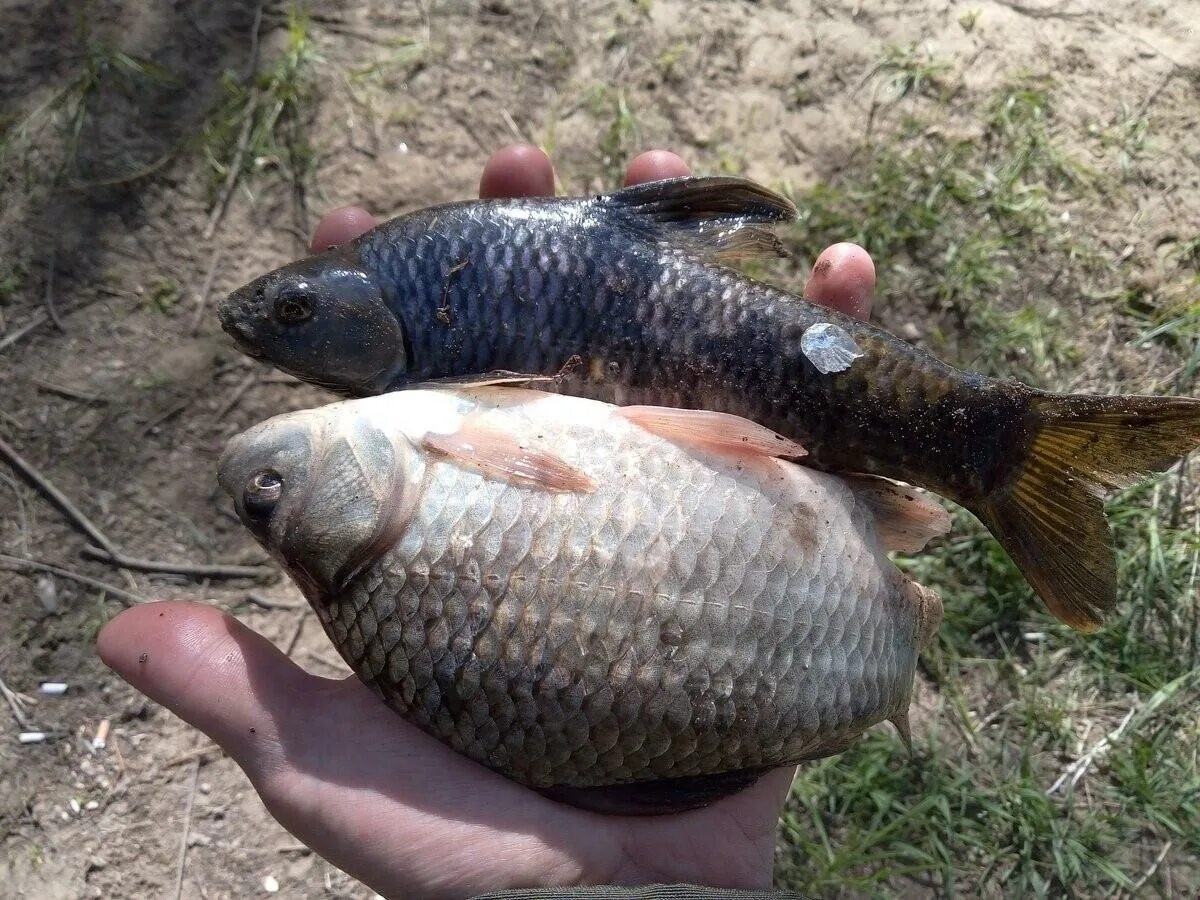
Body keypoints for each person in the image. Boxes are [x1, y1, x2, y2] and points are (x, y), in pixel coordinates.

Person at [96, 145, 876, 900]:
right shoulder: (417, 458)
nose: (265, 480)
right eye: (268, 495)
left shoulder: (405, 459)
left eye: (270, 494)